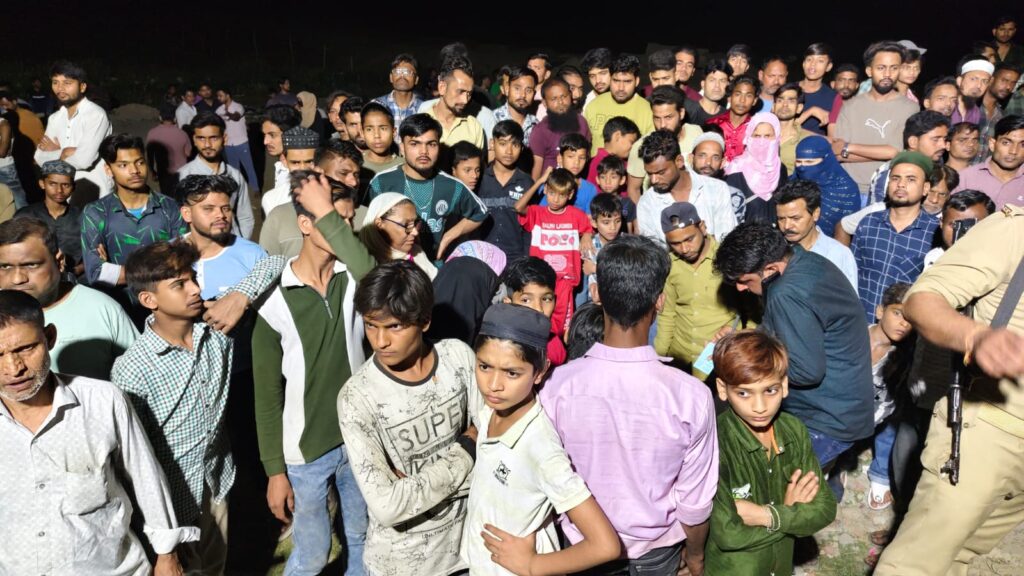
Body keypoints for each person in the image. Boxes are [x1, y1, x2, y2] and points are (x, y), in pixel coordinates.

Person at [540, 234, 717, 576]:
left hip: (581, 549)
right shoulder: (691, 396)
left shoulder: (556, 387)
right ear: (660, 301)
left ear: (596, 295)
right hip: (657, 553)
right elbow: (694, 502)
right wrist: (696, 556)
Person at [0, 290, 198, 576]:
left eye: (26, 349)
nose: (14, 368)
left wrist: (167, 554)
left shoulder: (103, 401)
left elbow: (146, 476)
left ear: (50, 337)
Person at [874, 201, 1024, 576]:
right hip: (989, 428)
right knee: (916, 564)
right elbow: (921, 301)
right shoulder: (1013, 231)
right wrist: (975, 337)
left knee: (962, 553)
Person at [253, 173, 376, 576]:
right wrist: (275, 471)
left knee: (361, 539)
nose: (344, 230)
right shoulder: (273, 302)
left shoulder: (353, 279)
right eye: (332, 221)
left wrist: (328, 213)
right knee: (312, 554)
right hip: (305, 452)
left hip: (357, 438)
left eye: (346, 222)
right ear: (305, 224)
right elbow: (266, 396)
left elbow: (371, 273)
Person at [337, 260, 482, 576]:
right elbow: (388, 506)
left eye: (394, 326)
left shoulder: (458, 358)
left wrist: (415, 487)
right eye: (371, 325)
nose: (380, 341)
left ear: (424, 321)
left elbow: (495, 444)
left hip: (467, 556)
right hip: (399, 566)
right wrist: (467, 448)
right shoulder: (357, 397)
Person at [714, 223, 873, 500]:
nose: (739, 288)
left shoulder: (786, 293)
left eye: (744, 280)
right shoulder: (802, 259)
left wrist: (749, 363)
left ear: (771, 269)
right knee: (810, 476)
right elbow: (787, 328)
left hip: (825, 419)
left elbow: (806, 371)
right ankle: (827, 488)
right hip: (847, 403)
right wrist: (747, 338)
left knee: (777, 487)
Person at [462, 303, 621, 575]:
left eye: (512, 373)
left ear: (540, 371)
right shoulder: (490, 409)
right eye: (484, 366)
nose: (493, 385)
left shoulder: (541, 449)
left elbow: (605, 545)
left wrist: (533, 564)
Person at [112, 240, 234, 575]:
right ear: (148, 300)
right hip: (171, 503)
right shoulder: (133, 369)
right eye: (180, 285)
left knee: (216, 566)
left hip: (217, 482)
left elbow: (273, 265)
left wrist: (238, 298)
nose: (195, 289)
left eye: (193, 278)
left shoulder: (217, 335)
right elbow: (131, 458)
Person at [705, 330, 837, 576]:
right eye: (743, 393)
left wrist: (767, 515)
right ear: (723, 389)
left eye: (770, 391)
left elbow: (825, 509)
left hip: (781, 564)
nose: (760, 407)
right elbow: (728, 534)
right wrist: (791, 513)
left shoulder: (793, 430)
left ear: (784, 385)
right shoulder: (714, 444)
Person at [0, 217, 136, 379]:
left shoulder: (102, 309)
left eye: (31, 265)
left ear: (59, 262)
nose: (17, 279)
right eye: (5, 266)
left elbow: (142, 377)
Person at [367, 113, 488, 260]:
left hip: (434, 267)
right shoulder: (382, 182)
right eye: (414, 144)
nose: (424, 151)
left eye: (431, 144)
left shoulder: (451, 186)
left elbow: (480, 213)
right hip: (390, 266)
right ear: (402, 147)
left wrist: (448, 236)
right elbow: (368, 230)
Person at [81, 135, 187, 302]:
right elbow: (96, 273)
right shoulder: (96, 212)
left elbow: (181, 262)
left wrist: (115, 271)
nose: (135, 171)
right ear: (108, 169)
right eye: (123, 165)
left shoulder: (171, 207)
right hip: (120, 304)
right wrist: (161, 266)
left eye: (140, 162)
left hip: (168, 302)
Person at [655, 202, 745, 377]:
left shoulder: (728, 258)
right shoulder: (669, 264)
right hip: (679, 358)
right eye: (675, 243)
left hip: (719, 358)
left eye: (689, 239)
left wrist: (735, 331)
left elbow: (752, 313)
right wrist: (659, 357)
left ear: (702, 227)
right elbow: (667, 314)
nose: (684, 249)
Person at [852, 151, 939, 321]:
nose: (901, 185)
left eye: (911, 179)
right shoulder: (869, 223)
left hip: (905, 327)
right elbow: (853, 274)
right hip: (860, 324)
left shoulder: (934, 233)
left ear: (926, 188)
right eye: (895, 178)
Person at [833, 42, 919, 201]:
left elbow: (896, 152)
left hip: (886, 191)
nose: (887, 74)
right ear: (869, 71)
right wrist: (886, 153)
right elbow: (838, 153)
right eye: (881, 68)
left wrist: (849, 147)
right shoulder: (850, 106)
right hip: (849, 188)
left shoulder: (910, 107)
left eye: (894, 68)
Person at [514, 168, 593, 338]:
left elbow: (588, 228)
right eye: (551, 193)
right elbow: (519, 207)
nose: (555, 199)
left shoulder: (576, 215)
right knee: (536, 318)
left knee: (562, 328)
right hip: (540, 280)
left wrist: (587, 235)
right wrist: (540, 180)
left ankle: (558, 351)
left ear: (570, 195)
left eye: (561, 195)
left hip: (565, 280)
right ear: (545, 190)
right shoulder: (537, 212)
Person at [259, 139, 362, 259]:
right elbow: (266, 264)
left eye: (356, 175)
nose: (353, 182)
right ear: (318, 171)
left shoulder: (367, 217)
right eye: (343, 173)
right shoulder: (279, 217)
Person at [862, 282, 914, 515]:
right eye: (898, 313)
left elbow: (889, 405)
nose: (904, 323)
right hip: (841, 407)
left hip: (878, 414)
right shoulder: (853, 335)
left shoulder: (903, 358)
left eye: (911, 320)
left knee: (896, 420)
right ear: (880, 311)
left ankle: (881, 472)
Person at [638, 129, 737, 245]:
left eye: (661, 172)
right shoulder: (647, 203)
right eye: (650, 174)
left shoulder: (717, 189)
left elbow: (727, 240)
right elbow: (652, 251)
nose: (653, 180)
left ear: (679, 161)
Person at [34, 61, 113, 205]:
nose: (60, 88)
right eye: (55, 82)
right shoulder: (55, 118)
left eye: (67, 83)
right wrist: (64, 152)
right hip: (64, 192)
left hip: (95, 191)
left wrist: (55, 154)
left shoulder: (95, 115)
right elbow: (39, 157)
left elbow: (84, 161)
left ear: (82, 87)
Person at [177, 112, 255, 239]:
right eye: (201, 138)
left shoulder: (235, 176)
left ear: (224, 139)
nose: (207, 144)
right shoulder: (182, 176)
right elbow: (177, 222)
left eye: (213, 138)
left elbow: (245, 216)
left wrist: (240, 244)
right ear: (194, 140)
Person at [774, 180, 857, 290]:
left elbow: (848, 299)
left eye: (795, 218)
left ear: (815, 214)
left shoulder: (838, 255)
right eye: (781, 219)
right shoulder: (773, 251)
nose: (787, 226)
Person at [626, 86, 704, 203]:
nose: (662, 125)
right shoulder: (641, 146)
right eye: (657, 118)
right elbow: (633, 189)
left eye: (668, 117)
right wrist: (643, 213)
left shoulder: (696, 133)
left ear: (681, 113)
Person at [866, 110, 951, 205]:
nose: (943, 145)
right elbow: (879, 211)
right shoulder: (889, 172)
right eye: (936, 139)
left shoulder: (939, 166)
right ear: (913, 142)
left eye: (945, 139)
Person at [15, 159, 83, 275]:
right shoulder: (26, 216)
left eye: (65, 185)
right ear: (42, 184)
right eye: (53, 184)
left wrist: (73, 272)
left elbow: (95, 256)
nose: (59, 190)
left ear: (73, 187)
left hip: (75, 279)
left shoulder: (83, 217)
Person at [477, 120, 532, 261]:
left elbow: (530, 226)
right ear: (492, 144)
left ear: (522, 148)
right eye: (503, 144)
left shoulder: (526, 183)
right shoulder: (479, 179)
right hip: (482, 256)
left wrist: (526, 259)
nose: (509, 151)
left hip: (515, 259)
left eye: (515, 145)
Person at [502, 256, 567, 367]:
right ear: (508, 303)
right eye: (526, 300)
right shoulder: (499, 346)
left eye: (546, 299)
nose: (539, 309)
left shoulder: (555, 345)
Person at [791, 135, 862, 236]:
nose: (802, 167)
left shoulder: (846, 189)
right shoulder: (791, 184)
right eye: (799, 162)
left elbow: (847, 229)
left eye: (809, 162)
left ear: (825, 160)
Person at [583, 54, 654, 154]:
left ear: (637, 81)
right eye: (616, 80)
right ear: (610, 78)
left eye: (627, 81)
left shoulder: (647, 111)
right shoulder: (593, 105)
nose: (621, 88)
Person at [725, 112, 787, 224]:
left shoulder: (780, 169)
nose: (762, 141)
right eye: (757, 136)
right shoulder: (735, 169)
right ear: (749, 137)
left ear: (777, 137)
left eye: (768, 136)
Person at [360, 192, 437, 279]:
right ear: (379, 224)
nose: (415, 232)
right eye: (406, 224)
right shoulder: (367, 264)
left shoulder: (416, 253)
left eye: (415, 223)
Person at [953, 114, 1024, 208]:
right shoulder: (965, 179)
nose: (1013, 151)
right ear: (992, 144)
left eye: (1023, 145)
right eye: (1006, 143)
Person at [529, 77, 591, 178]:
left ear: (570, 96)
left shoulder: (581, 122)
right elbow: (535, 175)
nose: (560, 102)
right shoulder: (540, 131)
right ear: (545, 103)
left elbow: (586, 158)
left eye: (564, 96)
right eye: (554, 99)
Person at [426, 55, 486, 148]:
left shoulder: (474, 127)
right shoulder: (420, 122)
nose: (465, 100)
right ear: (442, 87)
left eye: (469, 94)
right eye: (460, 92)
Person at [260, 125, 320, 216]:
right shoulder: (272, 200)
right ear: (284, 161)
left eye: (309, 162)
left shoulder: (330, 193)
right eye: (295, 162)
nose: (302, 168)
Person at [214, 87, 259, 193]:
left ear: (228, 95)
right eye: (218, 96)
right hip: (228, 143)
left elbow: (236, 117)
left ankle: (255, 188)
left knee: (249, 167)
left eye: (221, 95)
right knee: (234, 169)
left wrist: (227, 113)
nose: (218, 98)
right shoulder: (218, 110)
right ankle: (238, 189)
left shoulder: (238, 106)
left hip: (241, 142)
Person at [707, 75, 758, 161]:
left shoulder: (757, 130)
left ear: (755, 101)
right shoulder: (712, 125)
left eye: (748, 96)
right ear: (729, 98)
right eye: (738, 94)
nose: (742, 100)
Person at [145, 103, 192, 197]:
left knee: (167, 197)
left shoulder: (152, 133)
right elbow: (188, 153)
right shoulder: (182, 134)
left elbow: (149, 156)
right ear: (175, 118)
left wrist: (152, 171)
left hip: (163, 173)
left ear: (160, 117)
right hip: (181, 173)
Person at [259, 104, 303, 199]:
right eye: (264, 135)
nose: (265, 142)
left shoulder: (302, 173)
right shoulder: (280, 164)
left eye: (272, 135)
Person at [373, 54, 424, 130]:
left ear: (416, 80)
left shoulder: (424, 108)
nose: (402, 76)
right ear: (391, 77)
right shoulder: (376, 105)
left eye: (407, 72)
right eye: (397, 72)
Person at [773, 83, 815, 173]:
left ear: (799, 108)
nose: (785, 104)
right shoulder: (760, 134)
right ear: (774, 106)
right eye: (780, 100)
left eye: (791, 101)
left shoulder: (806, 141)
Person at [585, 116, 639, 185]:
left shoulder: (592, 163)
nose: (633, 147)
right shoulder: (594, 165)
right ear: (617, 136)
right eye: (631, 142)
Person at [980, 64, 1022, 153]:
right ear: (991, 80)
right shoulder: (972, 108)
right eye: (1004, 80)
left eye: (1013, 83)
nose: (1008, 87)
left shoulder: (1001, 115)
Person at [798, 43, 838, 135]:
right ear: (803, 64)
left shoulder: (834, 98)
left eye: (820, 61)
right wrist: (811, 111)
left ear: (828, 67)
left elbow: (833, 138)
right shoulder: (787, 91)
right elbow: (779, 128)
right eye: (809, 59)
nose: (812, 64)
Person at [492, 66, 538, 146]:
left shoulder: (536, 124)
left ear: (534, 94)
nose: (523, 95)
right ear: (507, 89)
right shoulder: (493, 119)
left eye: (528, 90)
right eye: (517, 88)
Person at [360, 102, 403, 177]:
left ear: (394, 132)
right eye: (369, 129)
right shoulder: (355, 163)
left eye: (383, 128)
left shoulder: (405, 166)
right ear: (362, 133)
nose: (377, 135)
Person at [594, 156, 636, 232]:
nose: (608, 182)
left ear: (622, 180)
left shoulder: (627, 203)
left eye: (613, 177)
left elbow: (629, 230)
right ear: (598, 180)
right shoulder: (595, 203)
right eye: (603, 177)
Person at [686, 59, 732, 126]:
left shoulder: (728, 118)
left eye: (722, 81)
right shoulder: (687, 110)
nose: (717, 85)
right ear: (703, 84)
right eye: (712, 80)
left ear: (728, 85)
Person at [952, 56, 993, 128]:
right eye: (973, 79)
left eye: (985, 81)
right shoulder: (946, 105)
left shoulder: (976, 112)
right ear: (959, 81)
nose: (979, 85)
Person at [826, 63, 861, 135]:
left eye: (851, 81)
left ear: (857, 85)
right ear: (833, 84)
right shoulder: (825, 104)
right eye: (841, 80)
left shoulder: (862, 107)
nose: (846, 85)